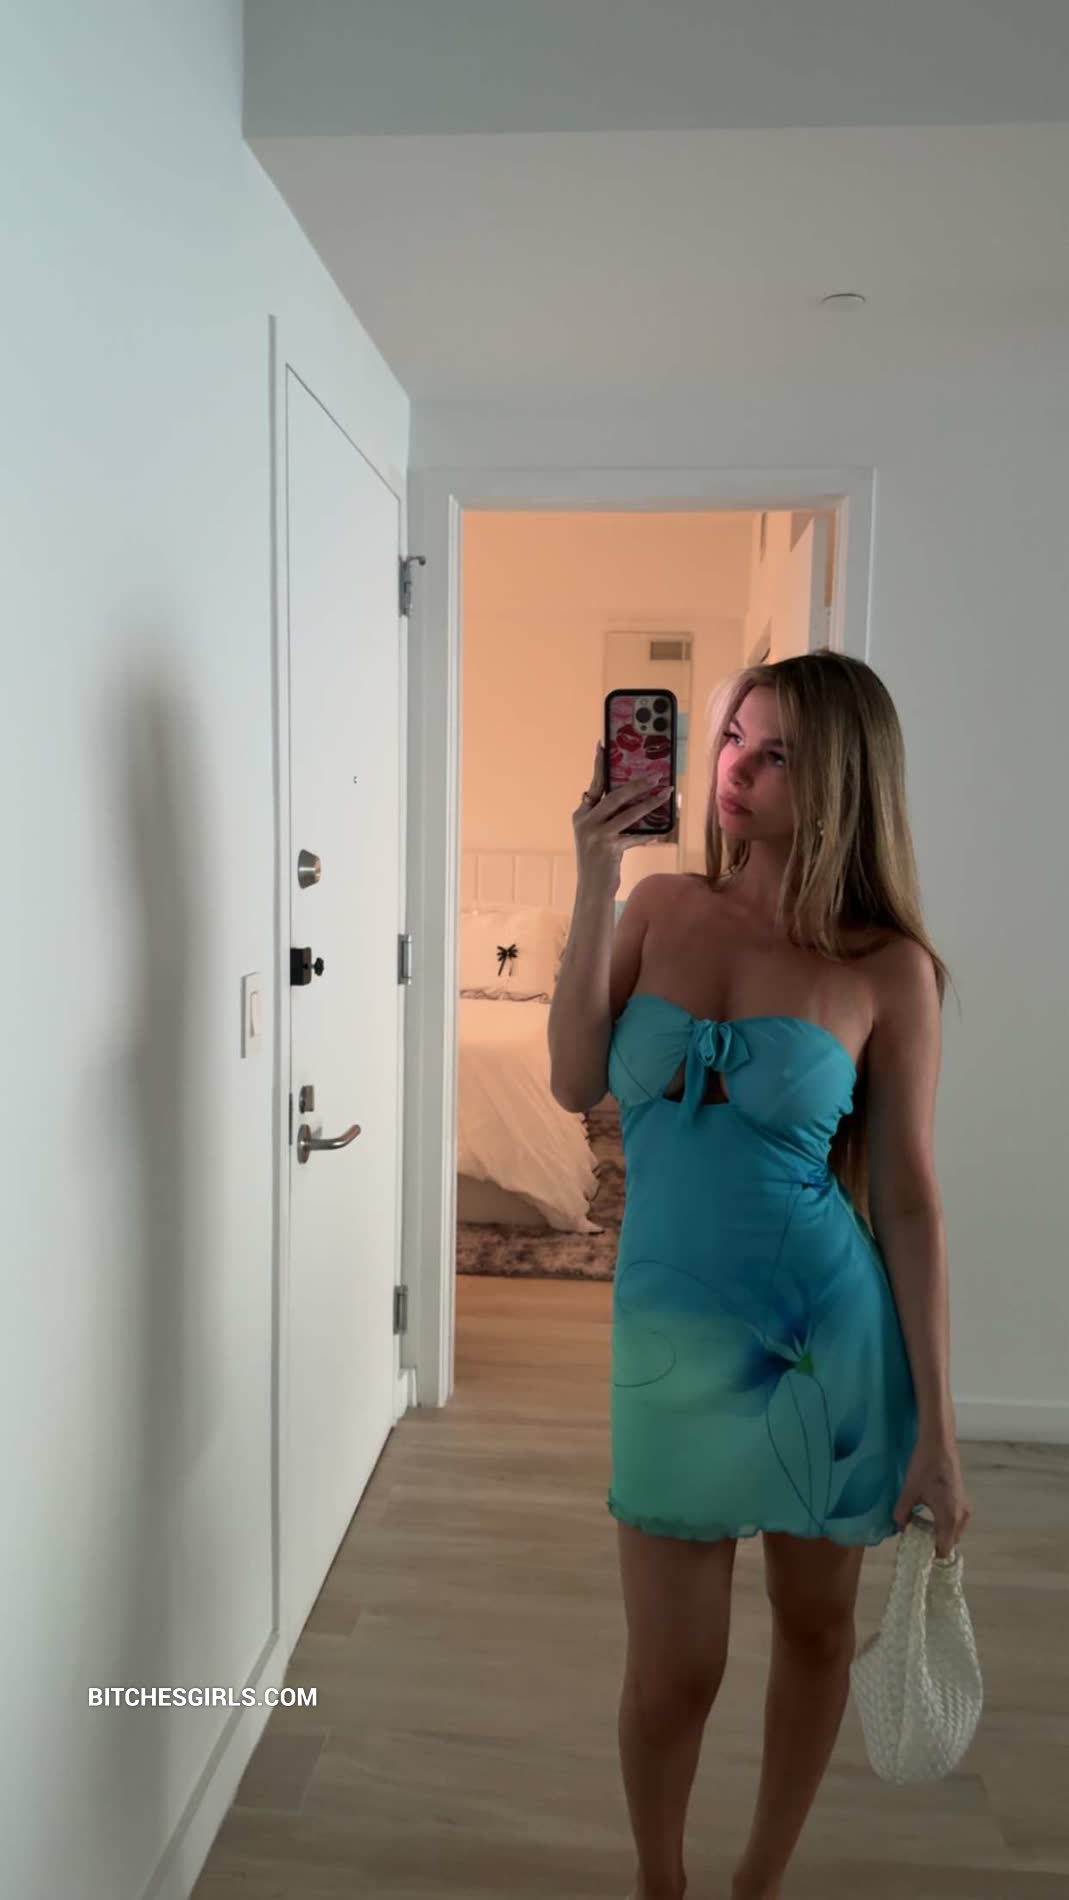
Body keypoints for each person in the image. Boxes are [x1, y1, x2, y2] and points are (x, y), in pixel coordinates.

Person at [547, 651, 972, 1900]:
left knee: (815, 1631)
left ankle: (756, 1884)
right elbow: (572, 1079)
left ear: (842, 776)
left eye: (775, 751)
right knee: (672, 1673)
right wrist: (592, 876)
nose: (735, 766)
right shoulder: (658, 907)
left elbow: (908, 1198)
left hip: (827, 1347)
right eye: (734, 734)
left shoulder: (887, 967)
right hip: (667, 1350)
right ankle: (660, 1884)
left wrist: (939, 1435)